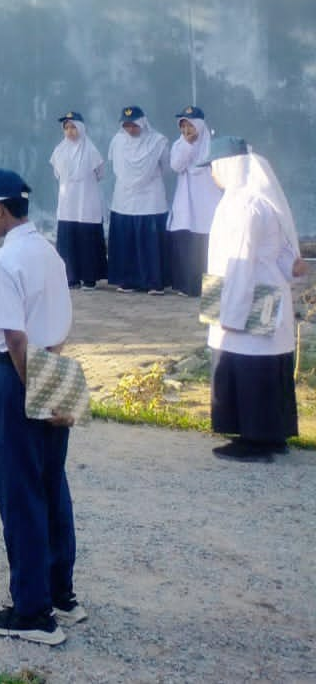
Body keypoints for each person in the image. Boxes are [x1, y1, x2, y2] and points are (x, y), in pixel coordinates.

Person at [0, 169, 80, 647]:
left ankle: (31, 610)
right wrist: (55, 388)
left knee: (20, 490)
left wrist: (35, 397)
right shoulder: (48, 251)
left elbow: (14, 337)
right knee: (50, 481)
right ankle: (61, 592)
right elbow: (55, 328)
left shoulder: (3, 263)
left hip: (16, 375)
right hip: (53, 363)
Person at [202, 137, 306, 462]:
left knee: (248, 363)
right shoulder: (257, 200)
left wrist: (230, 313)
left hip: (249, 295)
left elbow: (241, 263)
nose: (212, 175)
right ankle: (271, 434)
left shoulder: (243, 206)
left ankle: (255, 439)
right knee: (263, 363)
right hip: (262, 290)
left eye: (214, 168)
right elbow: (281, 253)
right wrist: (292, 266)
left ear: (228, 167)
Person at [106, 105, 170, 294]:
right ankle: (128, 280)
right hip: (124, 199)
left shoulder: (158, 141)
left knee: (149, 242)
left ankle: (154, 281)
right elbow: (114, 166)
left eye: (134, 125)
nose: (130, 129)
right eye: (126, 125)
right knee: (126, 240)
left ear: (143, 123)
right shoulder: (117, 141)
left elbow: (166, 167)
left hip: (150, 199)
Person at [166, 105, 220, 298]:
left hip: (207, 200)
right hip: (186, 201)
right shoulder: (179, 145)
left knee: (206, 245)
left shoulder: (213, 145)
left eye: (190, 126)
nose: (186, 130)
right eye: (183, 126)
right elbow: (176, 166)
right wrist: (188, 145)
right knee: (187, 245)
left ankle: (209, 287)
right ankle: (187, 285)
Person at [49, 111, 107, 290]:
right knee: (68, 240)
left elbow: (100, 174)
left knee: (87, 239)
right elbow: (57, 174)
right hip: (68, 205)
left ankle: (89, 278)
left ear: (81, 128)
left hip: (86, 202)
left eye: (73, 127)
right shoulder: (59, 150)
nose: (70, 132)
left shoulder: (91, 150)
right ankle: (71, 277)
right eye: (66, 128)